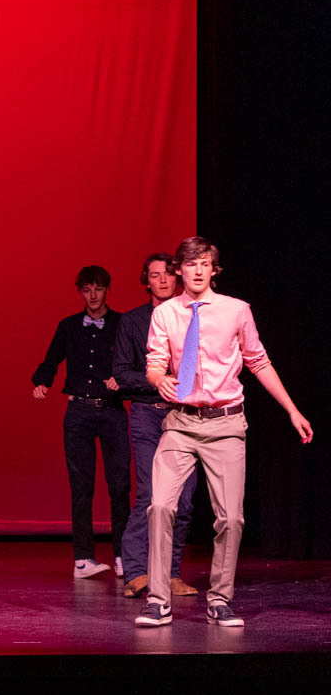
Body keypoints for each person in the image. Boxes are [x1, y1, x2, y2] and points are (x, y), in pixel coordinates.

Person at [136, 237, 312, 628]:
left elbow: (259, 362)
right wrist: (159, 379)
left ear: (214, 270)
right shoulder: (166, 314)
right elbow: (154, 363)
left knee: (231, 518)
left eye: (205, 264)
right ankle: (158, 600)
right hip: (181, 422)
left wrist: (292, 409)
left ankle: (219, 599)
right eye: (190, 264)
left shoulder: (237, 311)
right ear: (178, 270)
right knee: (160, 506)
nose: (197, 270)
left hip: (226, 423)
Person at [31, 265, 130, 578]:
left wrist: (122, 381)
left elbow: (136, 362)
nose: (93, 296)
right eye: (86, 290)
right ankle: (83, 559)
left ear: (107, 290)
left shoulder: (121, 324)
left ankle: (124, 557)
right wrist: (42, 381)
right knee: (81, 486)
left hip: (112, 410)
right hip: (79, 412)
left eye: (98, 289)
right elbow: (51, 359)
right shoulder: (69, 326)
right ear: (80, 292)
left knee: (120, 485)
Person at [112, 254, 199, 601]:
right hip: (148, 414)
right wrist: (162, 383)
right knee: (150, 493)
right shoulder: (134, 322)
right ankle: (136, 570)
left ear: (177, 278)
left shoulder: (191, 315)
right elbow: (122, 372)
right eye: (154, 275)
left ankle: (172, 572)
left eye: (167, 274)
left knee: (186, 498)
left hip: (186, 416)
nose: (162, 280)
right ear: (145, 281)